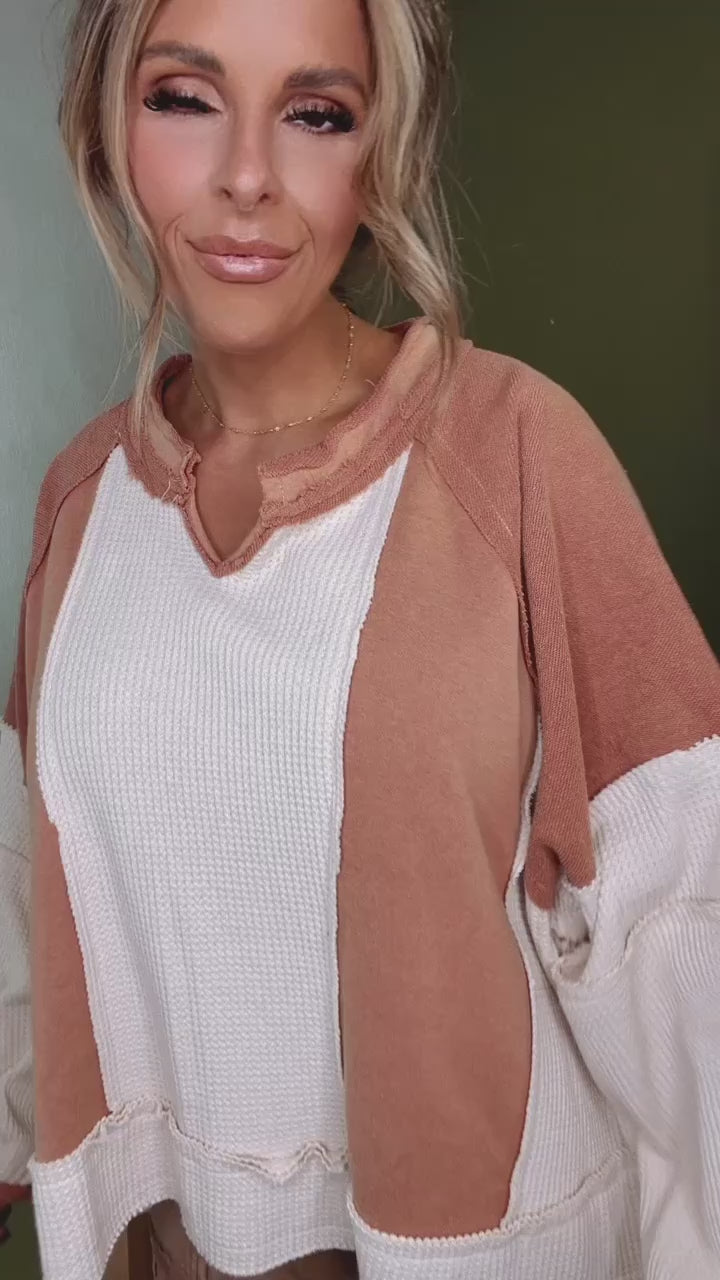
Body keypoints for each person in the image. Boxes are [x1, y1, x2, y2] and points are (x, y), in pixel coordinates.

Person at [1, 0, 719, 1276]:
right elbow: (26, 884)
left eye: (316, 114)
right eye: (184, 98)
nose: (246, 175)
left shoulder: (515, 451)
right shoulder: (80, 501)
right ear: (108, 129)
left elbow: (683, 925)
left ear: (382, 147)